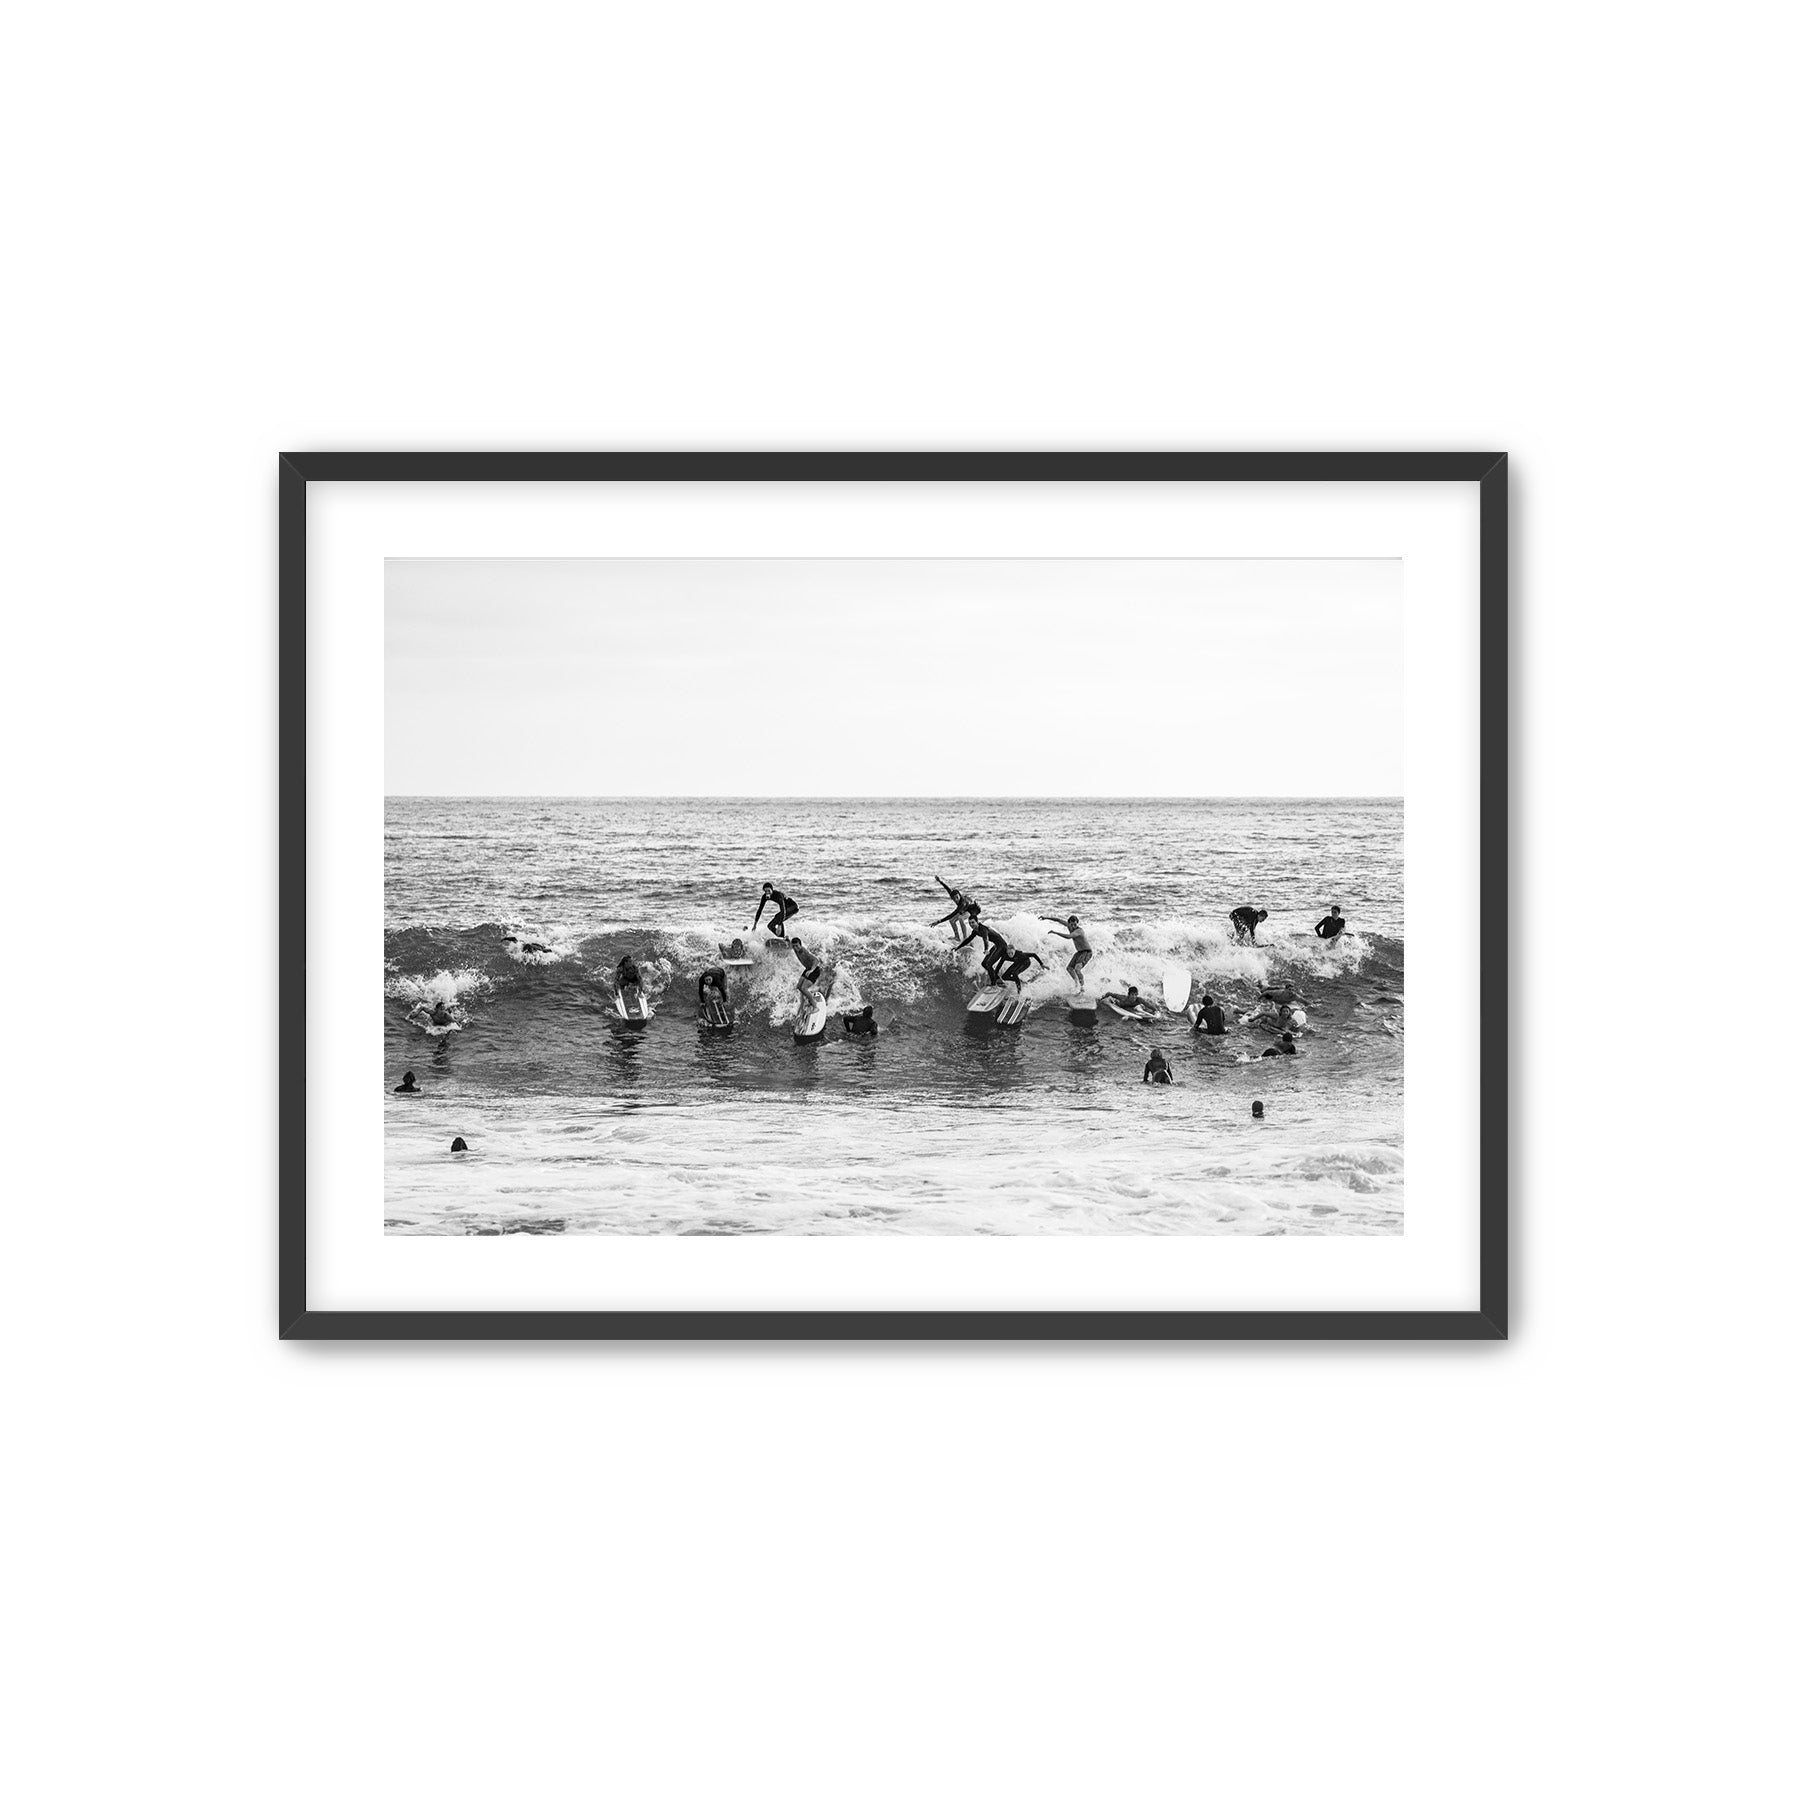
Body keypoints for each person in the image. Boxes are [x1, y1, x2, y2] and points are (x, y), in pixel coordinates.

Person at [1044, 914, 1094, 990]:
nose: (1073, 926)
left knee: (1077, 969)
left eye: (1075, 924)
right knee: (1070, 968)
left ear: (1077, 923)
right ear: (1069, 923)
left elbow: (1069, 936)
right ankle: (1077, 984)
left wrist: (1055, 933)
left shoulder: (1079, 931)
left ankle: (1082, 988)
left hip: (1086, 952)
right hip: (1079, 952)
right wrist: (1046, 917)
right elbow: (1058, 920)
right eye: (1071, 924)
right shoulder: (1069, 926)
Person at [930, 877, 978, 945]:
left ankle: (965, 939)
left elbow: (952, 914)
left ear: (959, 895)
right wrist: (940, 881)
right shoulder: (953, 895)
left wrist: (938, 921)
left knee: (960, 918)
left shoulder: (962, 903)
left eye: (957, 897)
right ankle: (957, 937)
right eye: (954, 898)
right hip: (964, 909)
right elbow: (947, 888)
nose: (956, 900)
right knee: (951, 921)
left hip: (973, 910)